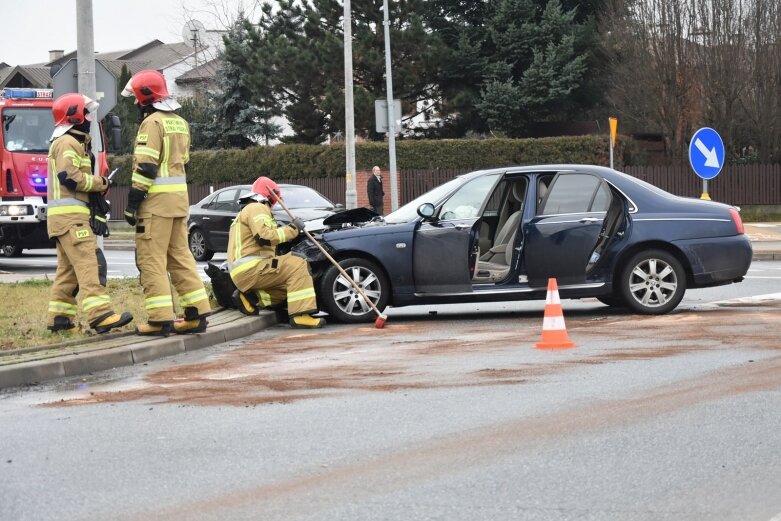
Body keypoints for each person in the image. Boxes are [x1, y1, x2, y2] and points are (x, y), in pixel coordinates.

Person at [121, 69, 211, 336]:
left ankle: (159, 320)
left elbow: (146, 167)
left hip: (155, 206)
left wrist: (132, 202)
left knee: (152, 261)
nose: (136, 104)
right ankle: (197, 314)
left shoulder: (152, 123)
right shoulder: (180, 122)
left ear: (145, 97)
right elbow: (183, 163)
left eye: (137, 99)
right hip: (178, 203)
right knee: (180, 257)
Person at [45, 93, 133, 334]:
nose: (88, 117)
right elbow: (69, 177)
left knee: (68, 272)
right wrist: (100, 183)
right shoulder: (68, 143)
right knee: (90, 264)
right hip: (71, 219)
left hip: (64, 220)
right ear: (74, 116)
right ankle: (100, 315)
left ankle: (60, 320)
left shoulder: (70, 142)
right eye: (85, 112)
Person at [227, 176, 325, 329]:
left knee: (291, 286)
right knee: (298, 263)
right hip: (252, 267)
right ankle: (301, 316)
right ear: (271, 196)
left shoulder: (248, 210)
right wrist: (293, 229)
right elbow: (264, 236)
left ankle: (251, 299)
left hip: (244, 271)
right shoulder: (257, 207)